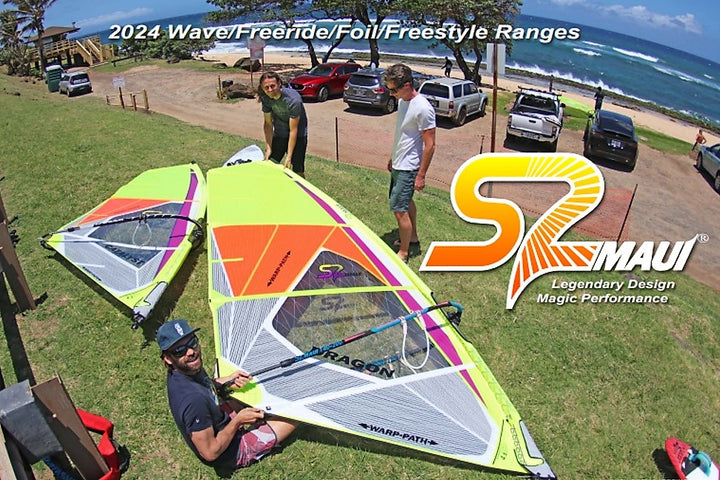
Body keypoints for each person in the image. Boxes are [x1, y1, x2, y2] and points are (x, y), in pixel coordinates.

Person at [157, 319, 297, 471]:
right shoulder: (193, 401)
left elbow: (204, 384)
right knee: (295, 413)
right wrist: (238, 421)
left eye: (192, 342)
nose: (191, 352)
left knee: (252, 387)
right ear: (167, 358)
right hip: (230, 451)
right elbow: (210, 453)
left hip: (218, 416)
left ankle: (257, 416)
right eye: (179, 350)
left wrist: (227, 380)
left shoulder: (186, 369)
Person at [382, 64, 436, 263]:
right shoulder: (403, 102)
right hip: (399, 163)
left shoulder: (423, 108)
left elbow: (430, 145)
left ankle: (403, 253)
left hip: (409, 167)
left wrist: (421, 176)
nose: (391, 93)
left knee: (399, 208)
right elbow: (404, 134)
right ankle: (412, 237)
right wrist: (393, 157)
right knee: (405, 202)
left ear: (406, 85)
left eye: (393, 90)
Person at [257, 71, 308, 177]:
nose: (270, 90)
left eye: (272, 86)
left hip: (298, 133)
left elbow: (293, 130)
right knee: (271, 163)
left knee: (297, 169)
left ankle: (300, 186)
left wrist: (289, 156)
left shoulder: (293, 100)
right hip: (280, 131)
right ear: (262, 88)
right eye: (266, 87)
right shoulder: (265, 98)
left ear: (279, 83)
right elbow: (268, 124)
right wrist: (269, 148)